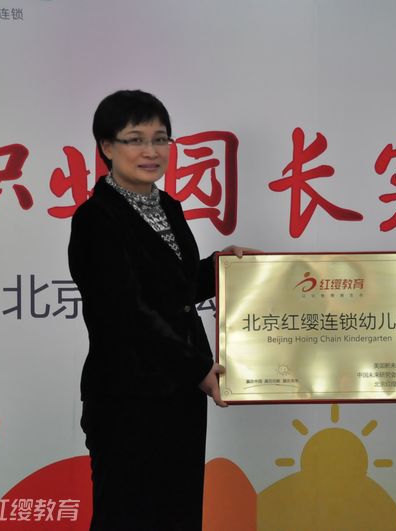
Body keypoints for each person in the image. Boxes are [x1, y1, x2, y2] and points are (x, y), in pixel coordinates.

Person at [68, 89, 251, 530]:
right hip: (128, 398)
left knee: (177, 514)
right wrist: (197, 368)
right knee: (127, 517)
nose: (151, 151)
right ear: (107, 147)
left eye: (160, 139)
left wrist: (224, 269)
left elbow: (176, 289)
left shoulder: (166, 207)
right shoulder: (95, 219)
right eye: (135, 139)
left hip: (179, 395)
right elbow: (125, 313)